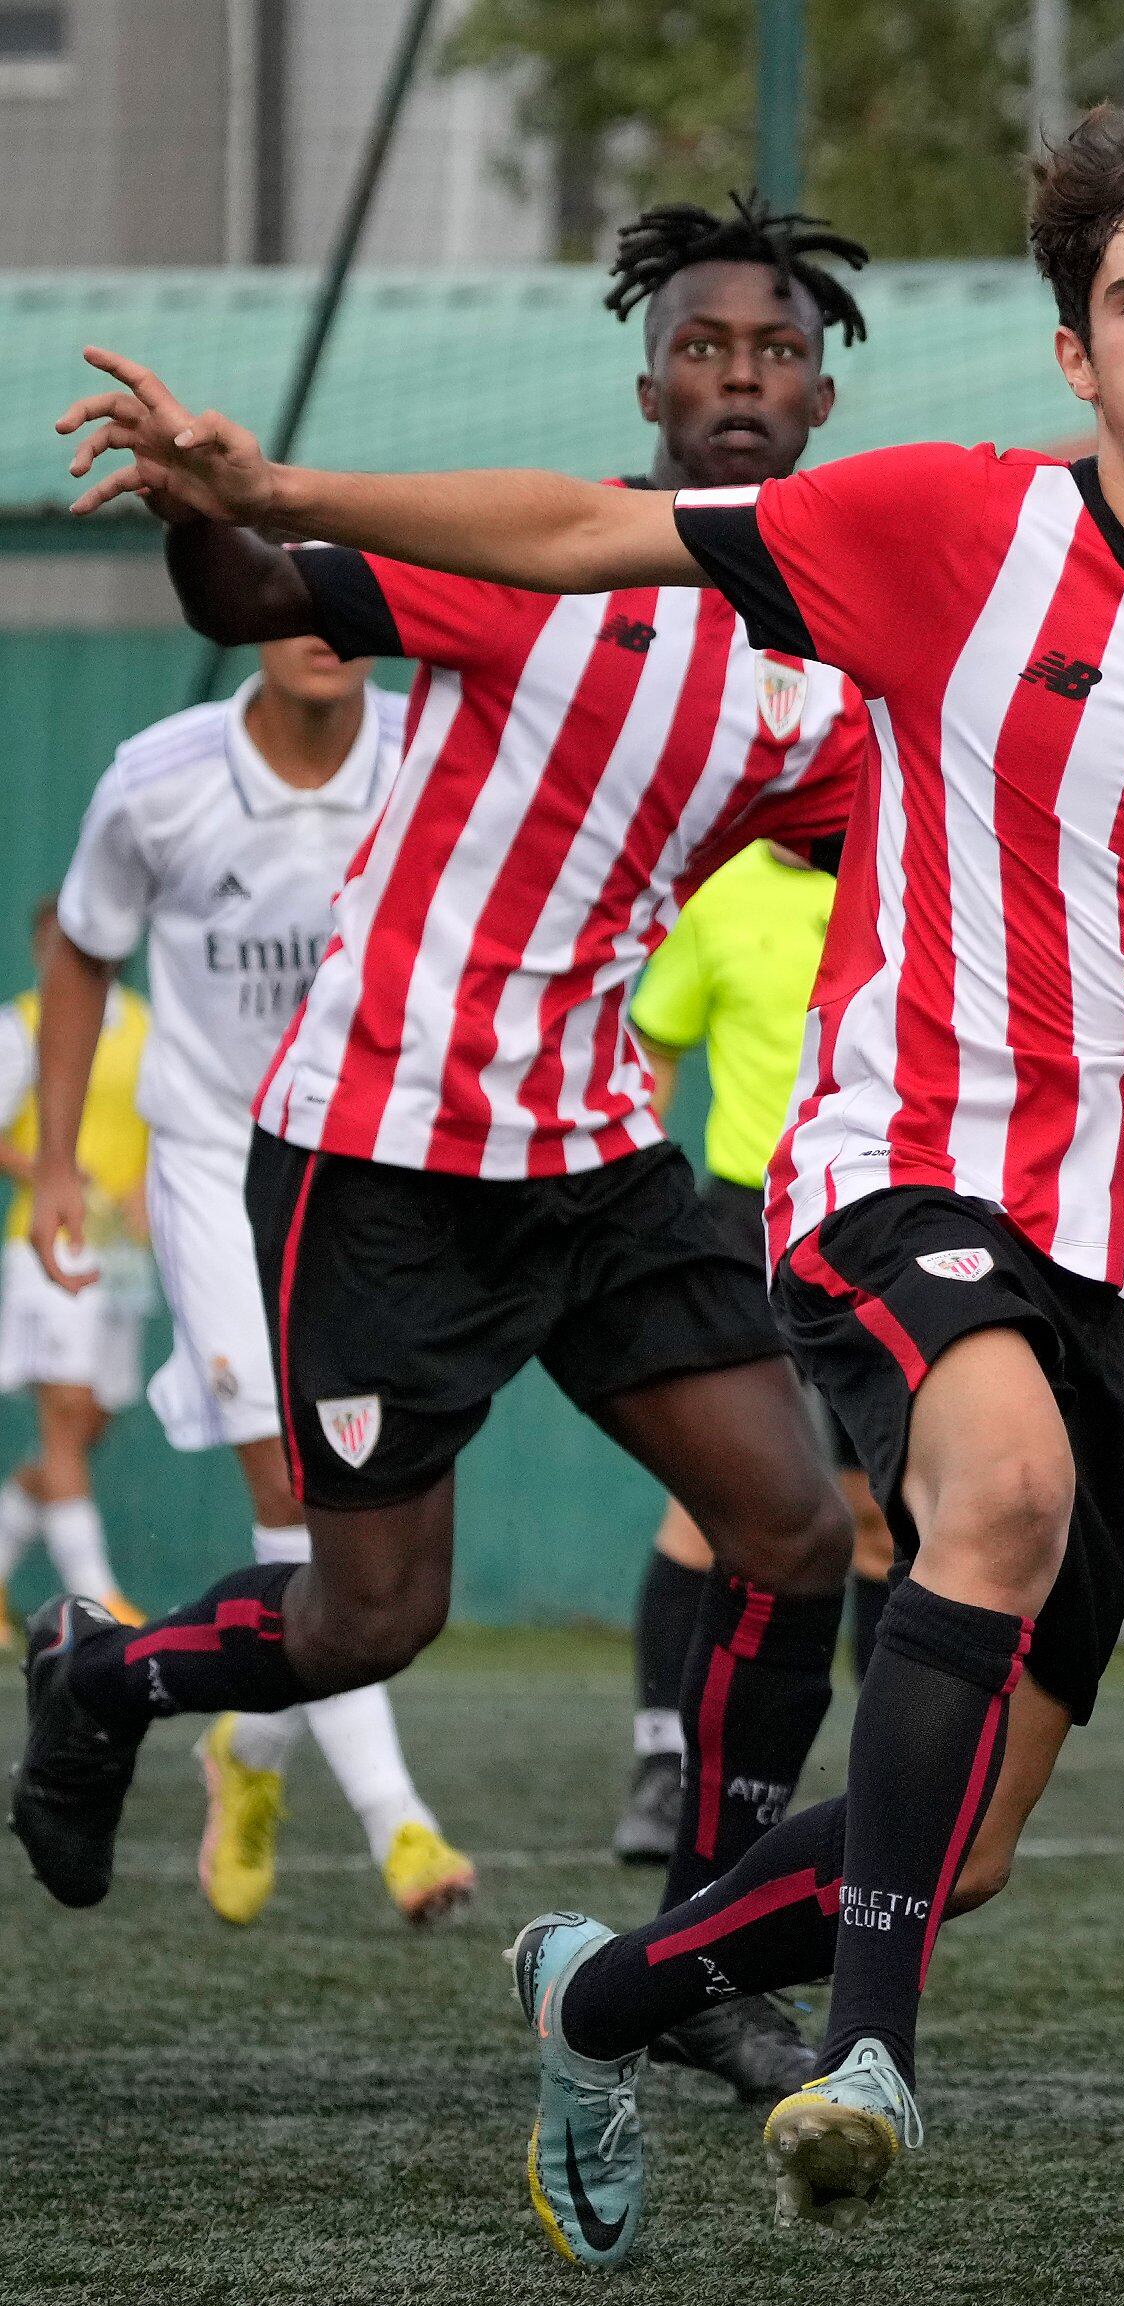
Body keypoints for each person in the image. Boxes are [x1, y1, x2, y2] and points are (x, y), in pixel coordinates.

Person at [67, 112, 1124, 2256]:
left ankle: (600, 1986)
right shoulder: (940, 529)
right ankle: (870, 2047)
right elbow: (569, 531)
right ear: (1076, 357)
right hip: (906, 1163)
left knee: (957, 1822)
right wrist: (278, 498)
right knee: (972, 1496)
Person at [22, 195, 882, 2111]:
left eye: (772, 352)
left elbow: (903, 852)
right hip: (377, 1154)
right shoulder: (535, 559)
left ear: (821, 393)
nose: (737, 376)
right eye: (702, 348)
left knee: (793, 1528)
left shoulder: (823, 676)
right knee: (367, 1618)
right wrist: (196, 501)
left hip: (590, 1157)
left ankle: (704, 1949)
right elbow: (254, 603)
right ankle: (100, 1678)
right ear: (650, 383)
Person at [30, 638, 475, 1928]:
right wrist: (58, 1158)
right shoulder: (157, 779)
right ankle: (402, 1825)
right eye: (286, 582)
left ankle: (251, 1745)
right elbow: (80, 946)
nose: (317, 618)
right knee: (296, 1491)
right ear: (243, 601)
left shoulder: (432, 747)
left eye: (342, 581)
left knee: (374, 1536)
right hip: (220, 1165)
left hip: (381, 1171)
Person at [610, 836, 894, 1867]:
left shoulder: (897, 863)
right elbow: (652, 1037)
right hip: (740, 1226)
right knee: (709, 1499)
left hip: (868, 1213)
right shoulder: (720, 890)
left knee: (874, 1515)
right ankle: (660, 1765)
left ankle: (889, 1782)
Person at [0, 904, 154, 1632]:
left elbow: (168, 1124)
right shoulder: (21, 1026)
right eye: (56, 942)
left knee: (88, 1424)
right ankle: (99, 1600)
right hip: (48, 1249)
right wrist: (53, 1172)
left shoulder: (150, 1028)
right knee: (63, 1422)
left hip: (123, 1258)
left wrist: (145, 1190)